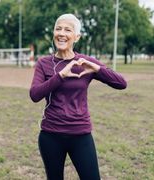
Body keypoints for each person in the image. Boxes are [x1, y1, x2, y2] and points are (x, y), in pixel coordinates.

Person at [29, 14, 127, 180]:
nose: (61, 33)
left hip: (80, 135)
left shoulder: (85, 62)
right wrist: (61, 75)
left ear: (77, 37)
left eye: (68, 30)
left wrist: (97, 68)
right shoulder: (44, 63)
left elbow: (121, 83)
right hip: (51, 135)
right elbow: (35, 95)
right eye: (58, 28)